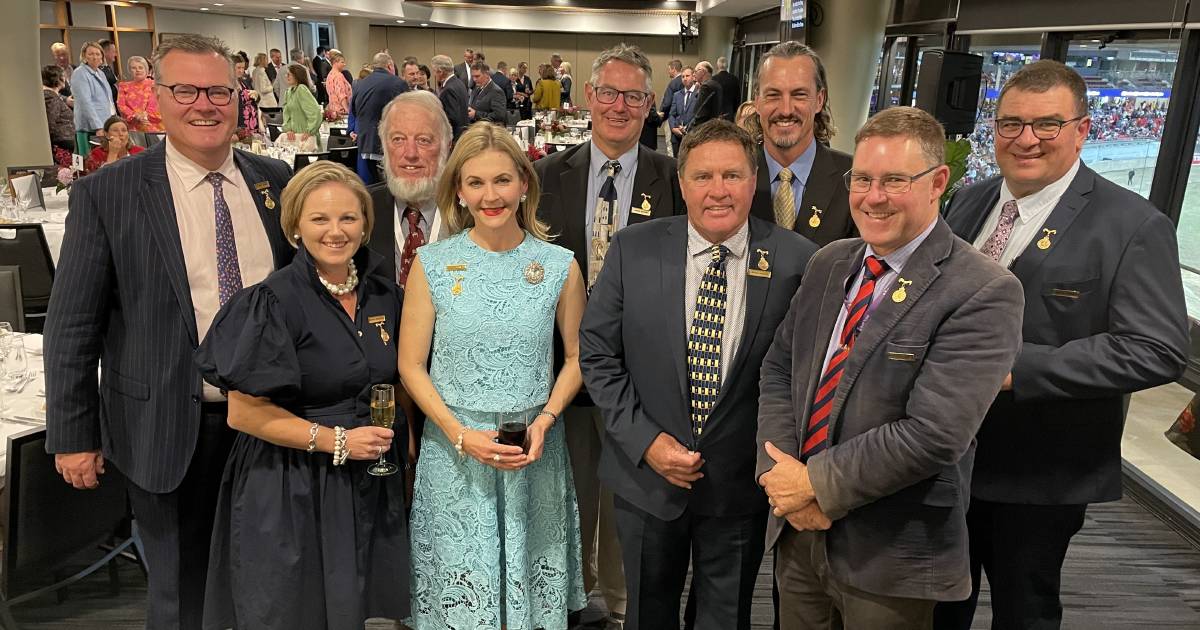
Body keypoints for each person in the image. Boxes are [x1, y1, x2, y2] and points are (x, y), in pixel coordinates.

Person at [45, 34, 293, 630]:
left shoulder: (277, 182)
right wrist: (72, 434)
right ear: (157, 98)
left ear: (239, 98)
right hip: (167, 426)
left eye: (218, 91)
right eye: (186, 90)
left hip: (273, 422)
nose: (204, 105)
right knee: (181, 595)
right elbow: (73, 323)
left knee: (275, 581)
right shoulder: (110, 192)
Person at [933, 60, 1189, 630]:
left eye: (1047, 124)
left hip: (1040, 471)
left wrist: (1015, 370)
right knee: (938, 604)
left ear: (1081, 130)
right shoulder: (970, 201)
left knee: (1024, 610)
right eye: (1011, 123)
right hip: (946, 454)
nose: (1026, 139)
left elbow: (1156, 348)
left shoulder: (1132, 225)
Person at [756, 106, 1025, 629]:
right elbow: (779, 370)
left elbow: (934, 434)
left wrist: (815, 486)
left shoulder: (984, 291)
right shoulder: (830, 261)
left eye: (895, 180)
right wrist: (779, 477)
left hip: (891, 552)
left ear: (938, 182)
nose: (873, 197)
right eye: (862, 178)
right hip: (798, 535)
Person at [578, 119, 815, 630]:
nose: (718, 191)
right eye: (703, 176)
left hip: (740, 485)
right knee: (647, 615)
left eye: (732, 175)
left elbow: (802, 378)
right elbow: (597, 353)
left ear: (756, 180)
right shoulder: (632, 248)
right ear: (681, 183)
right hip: (646, 478)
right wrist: (646, 442)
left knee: (725, 620)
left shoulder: (799, 260)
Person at [196, 161, 410, 630]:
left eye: (348, 218)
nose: (336, 231)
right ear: (294, 226)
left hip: (365, 483)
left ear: (365, 223)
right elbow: (244, 414)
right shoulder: (270, 301)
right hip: (289, 481)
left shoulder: (384, 295)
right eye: (319, 219)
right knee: (293, 611)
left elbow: (398, 381)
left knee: (353, 606)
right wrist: (337, 441)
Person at [401, 123, 588, 629]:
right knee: (461, 589)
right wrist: (459, 434)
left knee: (529, 585)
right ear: (458, 190)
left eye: (502, 180)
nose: (491, 196)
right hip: (455, 452)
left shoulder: (558, 265)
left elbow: (576, 358)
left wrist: (547, 418)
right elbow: (411, 365)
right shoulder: (432, 264)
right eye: (476, 183)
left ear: (524, 183)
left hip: (532, 449)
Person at [535, 43, 684, 630]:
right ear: (587, 98)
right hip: (561, 371)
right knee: (566, 496)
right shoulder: (545, 176)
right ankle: (572, 601)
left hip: (642, 379)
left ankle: (624, 609)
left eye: (633, 96)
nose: (618, 106)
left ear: (650, 105)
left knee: (630, 504)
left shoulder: (673, 179)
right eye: (608, 93)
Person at [749, 41, 855, 247]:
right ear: (757, 102)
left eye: (799, 94)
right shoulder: (732, 176)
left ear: (819, 100)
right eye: (773, 95)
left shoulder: (854, 179)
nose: (786, 109)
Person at [367, 91, 452, 286]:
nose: (410, 153)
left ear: (447, 146)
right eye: (398, 139)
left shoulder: (469, 212)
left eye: (424, 140)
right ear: (384, 146)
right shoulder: (362, 210)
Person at [350, 52, 409, 185]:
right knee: (390, 186)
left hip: (364, 141)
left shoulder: (360, 84)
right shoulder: (397, 83)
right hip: (387, 142)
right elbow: (407, 111)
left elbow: (354, 110)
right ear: (389, 65)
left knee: (371, 186)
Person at [73, 41, 116, 154]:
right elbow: (85, 102)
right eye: (91, 54)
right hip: (89, 128)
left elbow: (108, 100)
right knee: (90, 162)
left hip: (105, 123)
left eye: (98, 54)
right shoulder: (80, 73)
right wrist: (98, 126)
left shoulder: (100, 73)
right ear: (84, 56)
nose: (95, 57)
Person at [281, 63, 322, 152]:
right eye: (286, 74)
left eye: (289, 74)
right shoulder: (288, 92)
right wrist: (288, 129)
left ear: (297, 76)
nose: (286, 76)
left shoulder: (301, 89)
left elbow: (315, 111)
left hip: (305, 136)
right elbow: (286, 114)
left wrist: (310, 131)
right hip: (294, 137)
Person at [431, 55, 469, 142]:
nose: (434, 75)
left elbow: (452, 118)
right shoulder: (459, 83)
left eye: (434, 71)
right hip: (463, 136)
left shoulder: (448, 89)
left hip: (454, 139)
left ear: (440, 72)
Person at [43, 65, 75, 153]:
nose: (65, 79)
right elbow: (50, 123)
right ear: (57, 79)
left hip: (65, 142)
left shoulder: (53, 96)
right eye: (63, 76)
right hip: (63, 144)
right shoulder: (51, 97)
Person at [668, 67, 696, 157]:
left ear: (693, 77)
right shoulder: (677, 95)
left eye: (687, 76)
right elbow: (672, 114)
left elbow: (698, 115)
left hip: (692, 135)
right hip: (677, 136)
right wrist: (673, 128)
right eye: (683, 76)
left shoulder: (699, 94)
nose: (685, 78)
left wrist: (687, 128)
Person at [658, 60, 684, 156]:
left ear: (673, 69)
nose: (668, 72)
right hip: (682, 119)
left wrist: (661, 115)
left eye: (669, 69)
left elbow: (667, 102)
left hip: (671, 118)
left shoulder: (673, 83)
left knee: (670, 145)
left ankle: (672, 168)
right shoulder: (685, 82)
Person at [689, 61, 721, 130]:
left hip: (703, 129)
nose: (694, 74)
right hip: (714, 127)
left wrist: (689, 129)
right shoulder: (716, 85)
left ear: (702, 72)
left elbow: (700, 113)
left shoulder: (705, 87)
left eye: (695, 71)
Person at [713, 57, 743, 122]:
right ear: (727, 66)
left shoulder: (713, 80)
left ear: (717, 66)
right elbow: (738, 98)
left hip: (716, 113)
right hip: (730, 112)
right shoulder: (734, 79)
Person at [324, 49, 352, 118]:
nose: (344, 64)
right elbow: (341, 95)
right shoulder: (338, 76)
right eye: (342, 62)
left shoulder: (329, 75)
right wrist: (348, 111)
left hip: (333, 111)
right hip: (342, 112)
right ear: (335, 62)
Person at [98, 39, 120, 103]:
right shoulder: (98, 71)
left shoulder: (107, 67)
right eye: (113, 51)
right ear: (104, 52)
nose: (116, 54)